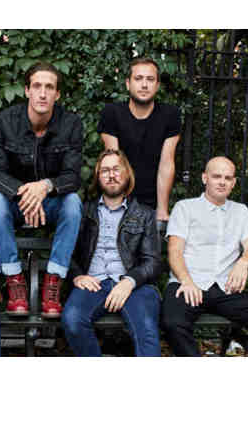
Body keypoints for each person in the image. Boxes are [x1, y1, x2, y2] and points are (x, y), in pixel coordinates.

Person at [161, 156, 248, 356]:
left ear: (234, 183)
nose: (222, 182)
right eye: (216, 176)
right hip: (188, 285)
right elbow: (175, 251)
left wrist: (243, 263)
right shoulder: (185, 208)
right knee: (172, 323)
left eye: (228, 178)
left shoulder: (241, 211)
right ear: (205, 178)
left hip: (226, 288)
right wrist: (185, 280)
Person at [0, 61, 83, 318]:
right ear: (27, 90)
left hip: (51, 203)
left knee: (73, 203)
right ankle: (14, 281)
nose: (43, 93)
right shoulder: (4, 122)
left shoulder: (71, 124)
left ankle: (54, 282)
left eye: (49, 87)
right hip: (15, 203)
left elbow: (73, 176)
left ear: (57, 94)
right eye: (37, 86)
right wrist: (27, 193)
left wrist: (45, 186)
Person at [62, 149, 163, 356]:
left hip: (134, 286)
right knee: (72, 320)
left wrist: (129, 281)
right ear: (98, 177)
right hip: (93, 284)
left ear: (127, 173)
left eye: (116, 169)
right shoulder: (84, 212)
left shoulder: (144, 214)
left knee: (146, 328)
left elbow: (152, 261)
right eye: (105, 171)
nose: (111, 175)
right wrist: (78, 275)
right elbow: (66, 252)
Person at [98, 57, 181, 222]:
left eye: (150, 79)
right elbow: (114, 164)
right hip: (120, 199)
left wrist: (162, 210)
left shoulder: (170, 115)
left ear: (157, 85)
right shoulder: (111, 113)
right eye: (138, 78)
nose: (144, 85)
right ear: (128, 83)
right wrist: (119, 208)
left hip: (153, 202)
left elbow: (166, 163)